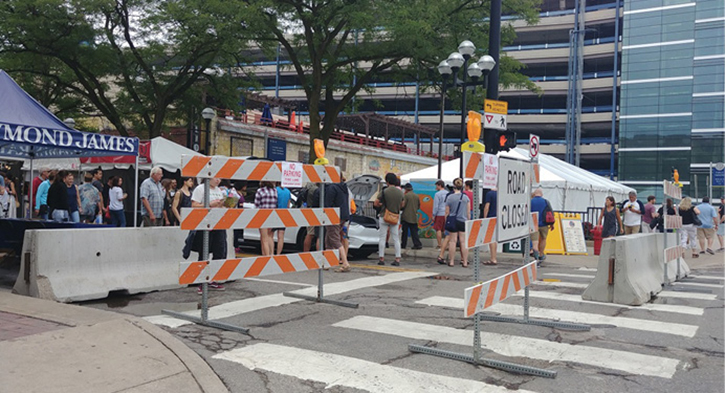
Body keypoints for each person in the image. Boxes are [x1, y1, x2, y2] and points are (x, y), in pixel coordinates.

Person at [191, 178, 227, 292]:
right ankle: (201, 281)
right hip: (205, 224)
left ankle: (213, 279)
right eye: (216, 177)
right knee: (204, 252)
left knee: (220, 251)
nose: (218, 180)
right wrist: (209, 204)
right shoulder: (200, 189)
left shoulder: (219, 190)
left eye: (220, 178)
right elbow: (194, 205)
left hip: (219, 224)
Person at [313, 180, 351, 272]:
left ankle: (345, 263)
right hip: (343, 215)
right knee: (329, 239)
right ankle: (327, 263)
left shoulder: (331, 188)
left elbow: (327, 204)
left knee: (334, 239)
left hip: (333, 216)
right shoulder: (342, 187)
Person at [437, 178, 469, 267]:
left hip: (453, 220)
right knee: (463, 241)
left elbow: (447, 212)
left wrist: (446, 220)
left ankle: (451, 261)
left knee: (452, 241)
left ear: (454, 187)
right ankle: (465, 261)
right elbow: (468, 212)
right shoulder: (465, 197)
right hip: (462, 220)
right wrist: (468, 220)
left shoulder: (450, 197)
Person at [374, 173, 404, 266]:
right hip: (395, 216)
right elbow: (402, 204)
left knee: (382, 238)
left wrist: (381, 205)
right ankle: (397, 258)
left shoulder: (384, 191)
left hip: (384, 216)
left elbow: (376, 203)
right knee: (396, 238)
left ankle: (381, 258)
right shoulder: (400, 192)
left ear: (387, 181)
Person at [530, 188, 555, 263]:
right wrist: (551, 224)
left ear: (534, 194)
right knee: (543, 239)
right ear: (541, 194)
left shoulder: (530, 201)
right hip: (544, 224)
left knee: (535, 241)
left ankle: (536, 256)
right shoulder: (546, 202)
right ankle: (541, 254)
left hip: (534, 224)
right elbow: (550, 212)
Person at [255, 181, 278, 256]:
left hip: (262, 216)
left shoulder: (260, 191)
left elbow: (257, 205)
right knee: (270, 237)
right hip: (272, 216)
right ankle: (271, 254)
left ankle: (266, 256)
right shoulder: (274, 191)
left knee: (264, 239)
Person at [401, 183, 423, 250]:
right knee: (414, 232)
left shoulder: (406, 196)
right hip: (414, 216)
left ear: (406, 189)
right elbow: (419, 206)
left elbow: (403, 205)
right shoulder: (416, 196)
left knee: (404, 232)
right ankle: (417, 244)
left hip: (406, 216)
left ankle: (403, 244)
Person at [301, 182, 319, 252]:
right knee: (310, 234)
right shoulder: (315, 189)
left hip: (309, 210)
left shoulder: (309, 187)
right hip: (313, 212)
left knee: (310, 233)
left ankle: (306, 252)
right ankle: (306, 252)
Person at [274, 182, 291, 255]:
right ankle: (278, 254)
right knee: (281, 237)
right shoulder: (288, 191)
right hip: (284, 215)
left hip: (275, 214)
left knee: (269, 235)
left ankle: (270, 253)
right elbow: (288, 205)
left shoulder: (275, 190)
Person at [483, 187, 498, 265]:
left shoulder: (489, 194)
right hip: (497, 218)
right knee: (494, 239)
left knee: (490, 239)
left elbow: (487, 207)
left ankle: (493, 259)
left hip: (490, 218)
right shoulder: (500, 194)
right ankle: (494, 257)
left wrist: (485, 218)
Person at [432, 180, 447, 249]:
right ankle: (446, 244)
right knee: (446, 230)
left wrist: (433, 215)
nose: (436, 187)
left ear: (439, 185)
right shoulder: (448, 193)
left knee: (438, 229)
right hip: (447, 213)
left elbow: (436, 206)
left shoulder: (437, 194)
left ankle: (439, 244)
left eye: (437, 185)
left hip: (439, 213)